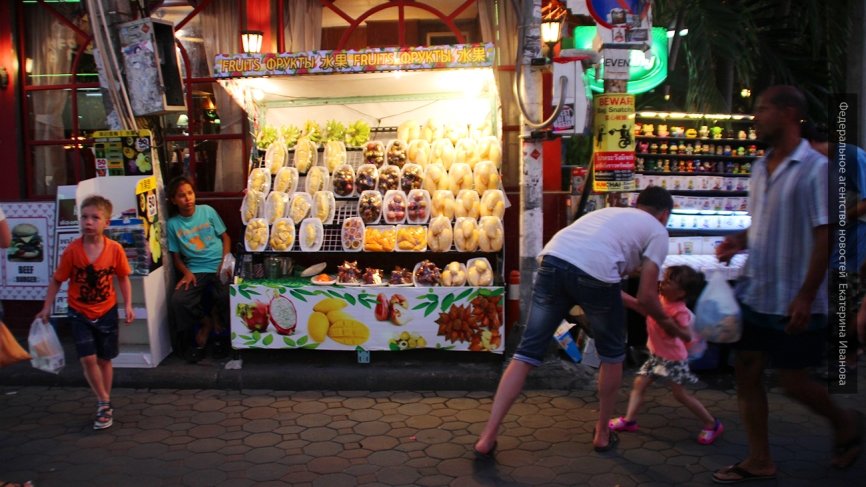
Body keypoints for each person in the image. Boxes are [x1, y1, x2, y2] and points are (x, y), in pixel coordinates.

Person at [712, 85, 863, 483]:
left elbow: (825, 233)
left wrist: (807, 295)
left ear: (789, 113)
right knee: (746, 370)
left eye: (763, 109)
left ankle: (846, 421)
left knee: (794, 381)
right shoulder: (761, 167)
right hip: (757, 291)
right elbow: (762, 225)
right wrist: (738, 241)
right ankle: (759, 460)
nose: (755, 116)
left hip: (795, 297)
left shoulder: (817, 169)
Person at [474, 185, 679, 456]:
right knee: (613, 355)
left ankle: (487, 437)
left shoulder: (611, 214)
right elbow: (646, 295)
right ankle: (603, 433)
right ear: (664, 215)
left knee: (525, 353)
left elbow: (613, 290)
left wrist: (645, 309)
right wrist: (669, 323)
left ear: (637, 203)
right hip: (593, 275)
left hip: (553, 261)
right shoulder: (658, 231)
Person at [37, 195, 135, 430]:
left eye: (95, 217)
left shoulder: (115, 250)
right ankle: (103, 401)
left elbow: (123, 278)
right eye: (84, 217)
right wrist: (46, 306)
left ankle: (105, 400)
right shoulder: (72, 251)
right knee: (87, 357)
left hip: (107, 311)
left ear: (106, 223)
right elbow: (57, 280)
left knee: (104, 359)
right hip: (79, 311)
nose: (88, 222)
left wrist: (128, 305)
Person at [612, 265, 723, 445]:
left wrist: (670, 327)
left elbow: (686, 335)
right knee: (639, 384)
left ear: (681, 293)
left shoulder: (679, 311)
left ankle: (712, 424)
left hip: (673, 359)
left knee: (680, 395)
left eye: (669, 282)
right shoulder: (661, 298)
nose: (663, 283)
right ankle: (629, 420)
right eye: (665, 279)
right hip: (657, 355)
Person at [807, 122, 866, 370]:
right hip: (837, 244)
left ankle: (849, 357)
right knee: (836, 298)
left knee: (849, 300)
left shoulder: (851, 156)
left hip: (856, 243)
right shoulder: (821, 166)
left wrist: (840, 217)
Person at [166, 176, 231, 363]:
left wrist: (224, 261)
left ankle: (223, 336)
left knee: (226, 295)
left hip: (219, 265)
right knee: (179, 300)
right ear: (173, 200)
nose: (188, 199)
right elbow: (176, 257)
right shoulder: (173, 224)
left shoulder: (207, 211)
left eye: (190, 193)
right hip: (195, 270)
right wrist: (186, 272)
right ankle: (206, 323)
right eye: (181, 196)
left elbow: (225, 237)